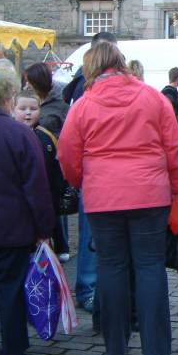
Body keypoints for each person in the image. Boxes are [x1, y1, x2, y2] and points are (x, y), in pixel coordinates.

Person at [58, 42, 178, 355]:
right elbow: (175, 148)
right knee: (150, 267)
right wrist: (176, 188)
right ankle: (156, 347)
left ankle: (116, 347)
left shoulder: (83, 105)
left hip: (103, 198)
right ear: (121, 63)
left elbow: (67, 155)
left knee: (111, 268)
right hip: (149, 195)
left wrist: (83, 183)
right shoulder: (152, 98)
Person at [0, 68, 55, 355]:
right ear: (9, 98)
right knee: (9, 289)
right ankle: (14, 352)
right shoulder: (19, 134)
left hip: (8, 226)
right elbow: (36, 187)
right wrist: (45, 229)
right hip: (11, 228)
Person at [62, 30, 117, 313]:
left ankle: (98, 290)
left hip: (105, 178)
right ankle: (88, 289)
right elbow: (69, 145)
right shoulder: (84, 88)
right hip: (95, 177)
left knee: (99, 239)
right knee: (90, 238)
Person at [12, 90, 70, 260]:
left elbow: (56, 168)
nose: (28, 113)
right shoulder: (10, 135)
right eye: (23, 108)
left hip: (44, 197)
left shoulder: (46, 137)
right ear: (13, 109)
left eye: (33, 108)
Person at [24, 62, 69, 135]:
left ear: (38, 82)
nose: (27, 85)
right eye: (26, 81)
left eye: (29, 82)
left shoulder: (61, 108)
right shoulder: (28, 102)